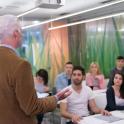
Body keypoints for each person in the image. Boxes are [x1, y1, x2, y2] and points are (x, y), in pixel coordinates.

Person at [0, 15, 71, 124]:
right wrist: (56, 98)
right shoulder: (20, 65)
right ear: (15, 33)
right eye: (21, 31)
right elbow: (31, 107)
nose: (22, 35)